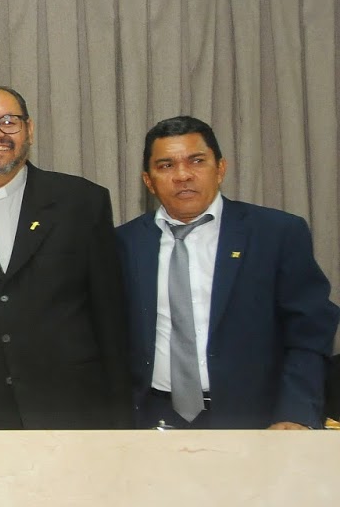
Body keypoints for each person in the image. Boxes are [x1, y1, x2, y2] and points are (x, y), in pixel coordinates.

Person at [0, 85, 129, 430]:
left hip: (74, 411)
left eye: (8, 121)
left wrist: (123, 424)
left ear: (28, 129)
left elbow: (111, 319)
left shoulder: (82, 202)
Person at [116, 115, 339, 429]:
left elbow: (309, 333)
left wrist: (295, 411)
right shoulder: (122, 243)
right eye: (166, 165)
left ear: (220, 169)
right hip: (152, 418)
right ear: (148, 181)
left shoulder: (276, 233)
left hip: (258, 420)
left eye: (197, 161)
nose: (183, 175)